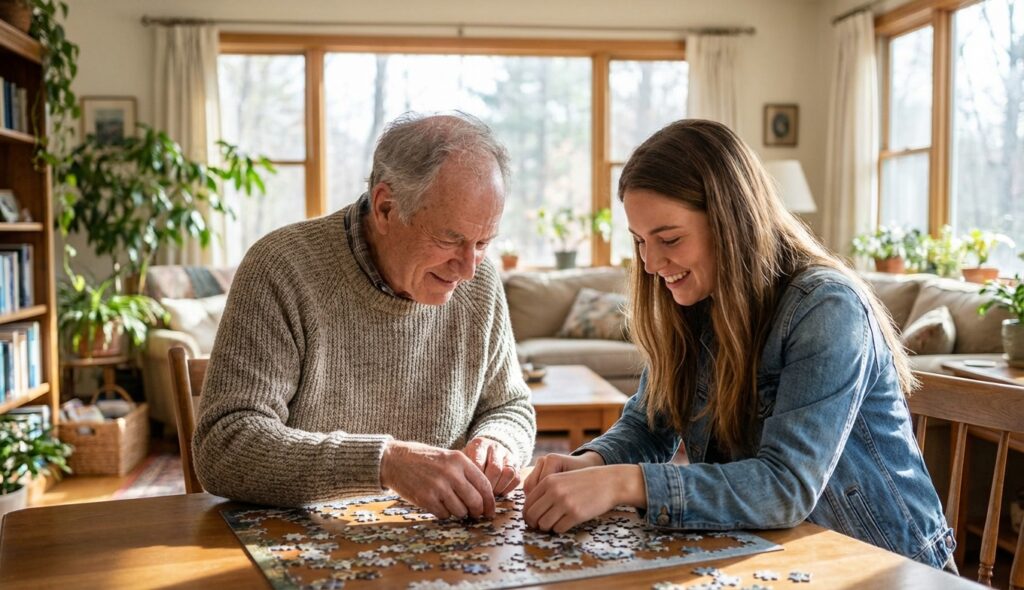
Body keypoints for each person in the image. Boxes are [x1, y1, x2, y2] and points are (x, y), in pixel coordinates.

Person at [522, 119, 956, 571]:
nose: (650, 264)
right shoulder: (691, 301)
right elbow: (650, 424)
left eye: (668, 239)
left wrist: (625, 483)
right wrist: (593, 463)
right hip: (773, 557)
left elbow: (785, 487)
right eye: (639, 242)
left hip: (884, 566)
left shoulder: (828, 307)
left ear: (732, 222)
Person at [194, 112, 536, 519]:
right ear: (386, 208)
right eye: (451, 238)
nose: (468, 268)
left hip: (442, 550)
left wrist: (498, 442)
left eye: (484, 242)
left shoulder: (480, 282)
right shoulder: (282, 268)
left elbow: (510, 405)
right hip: (299, 546)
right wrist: (384, 462)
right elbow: (225, 445)